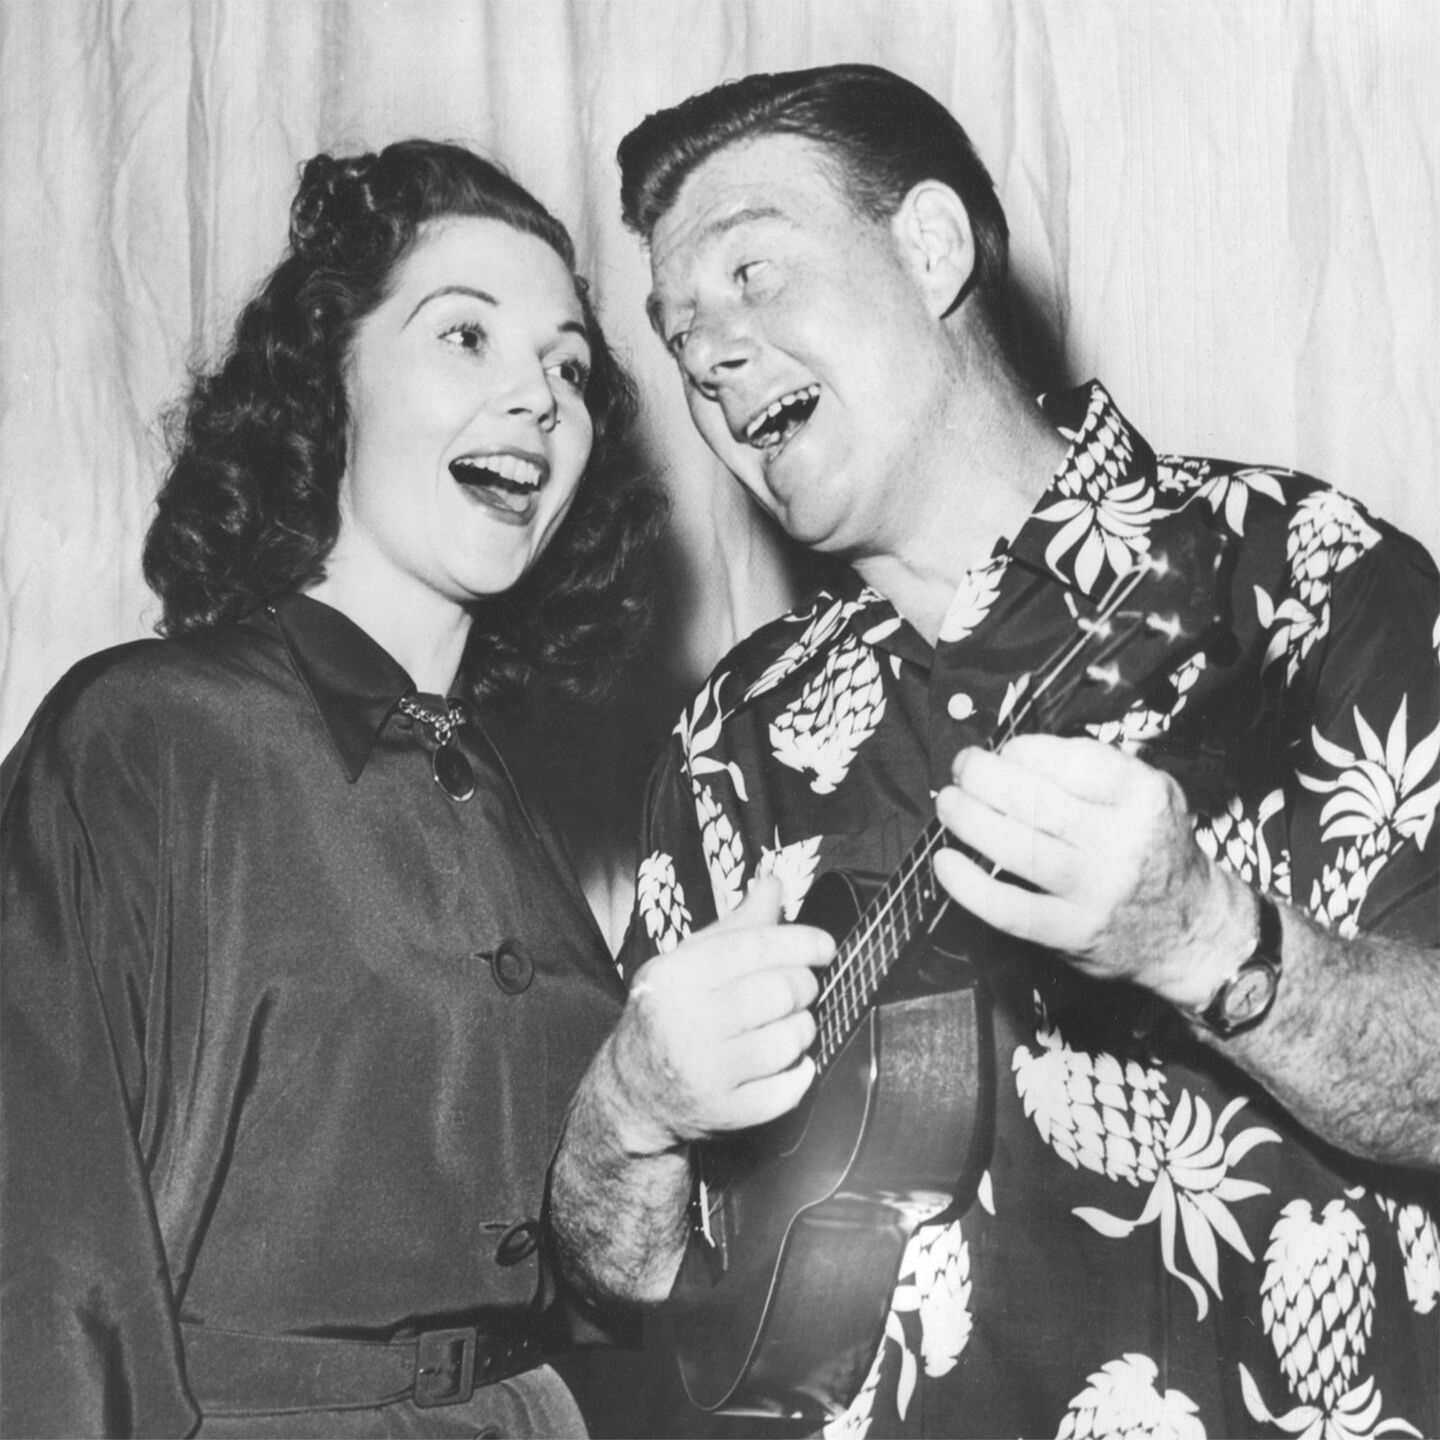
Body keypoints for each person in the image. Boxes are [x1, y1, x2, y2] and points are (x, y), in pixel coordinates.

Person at [548, 65, 1440, 1439]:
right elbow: (627, 1299)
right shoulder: (728, 744)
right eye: (679, 334)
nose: (710, 356)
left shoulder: (1304, 576)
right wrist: (628, 1109)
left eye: (755, 276)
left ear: (931, 247)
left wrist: (1212, 940)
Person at [1, 138, 662, 1438]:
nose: (537, 397)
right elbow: (42, 1268)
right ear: (332, 381)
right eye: (465, 336)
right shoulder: (146, 737)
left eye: (569, 367)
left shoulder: (503, 809)